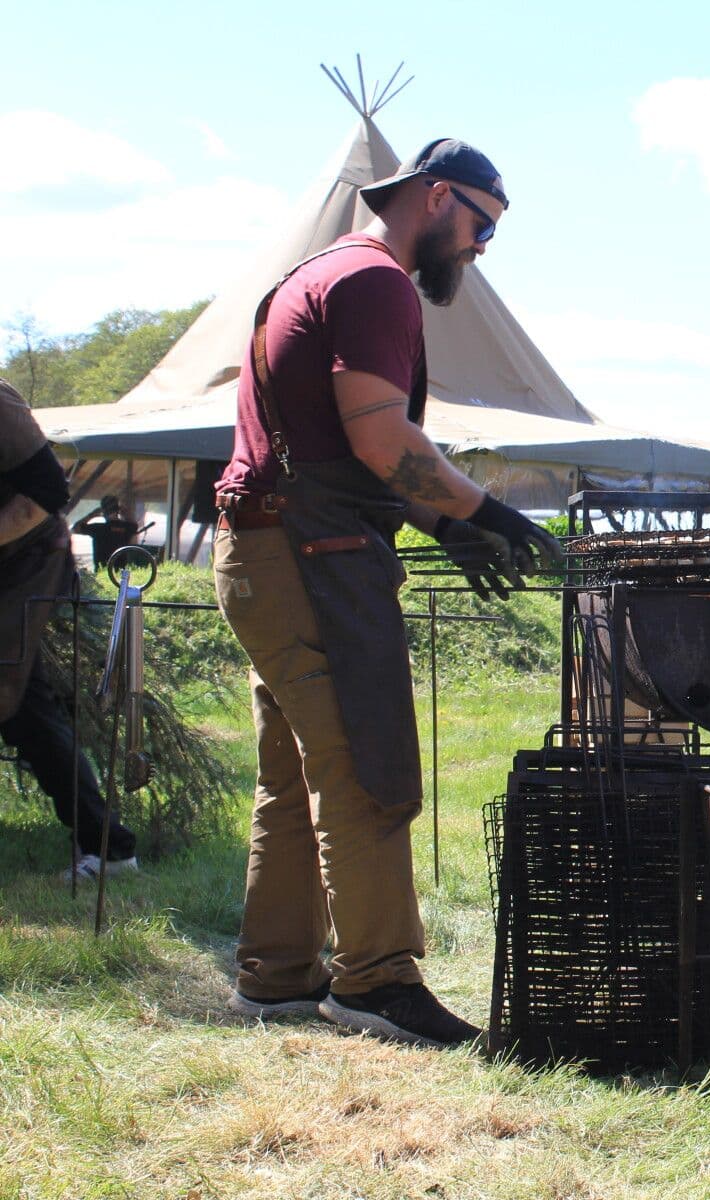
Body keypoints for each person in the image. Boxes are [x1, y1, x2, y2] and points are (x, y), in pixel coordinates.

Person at [212, 138, 559, 1048]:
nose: (483, 247)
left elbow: (338, 440)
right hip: (308, 558)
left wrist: (445, 524)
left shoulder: (318, 274)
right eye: (481, 223)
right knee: (366, 767)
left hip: (275, 551)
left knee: (295, 778)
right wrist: (489, 511)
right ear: (435, 196)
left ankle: (276, 976)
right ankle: (374, 983)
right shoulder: (375, 283)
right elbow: (377, 434)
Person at [0, 377, 139, 881]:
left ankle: (111, 849)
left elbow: (47, 490)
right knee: (26, 708)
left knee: (16, 701)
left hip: (21, 567)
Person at [71, 495, 140, 566]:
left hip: (103, 570)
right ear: (118, 510)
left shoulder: (98, 528)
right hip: (124, 571)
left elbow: (75, 528)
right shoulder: (127, 527)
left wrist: (92, 514)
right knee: (124, 577)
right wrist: (126, 513)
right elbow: (135, 525)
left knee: (104, 577)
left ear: (103, 510)